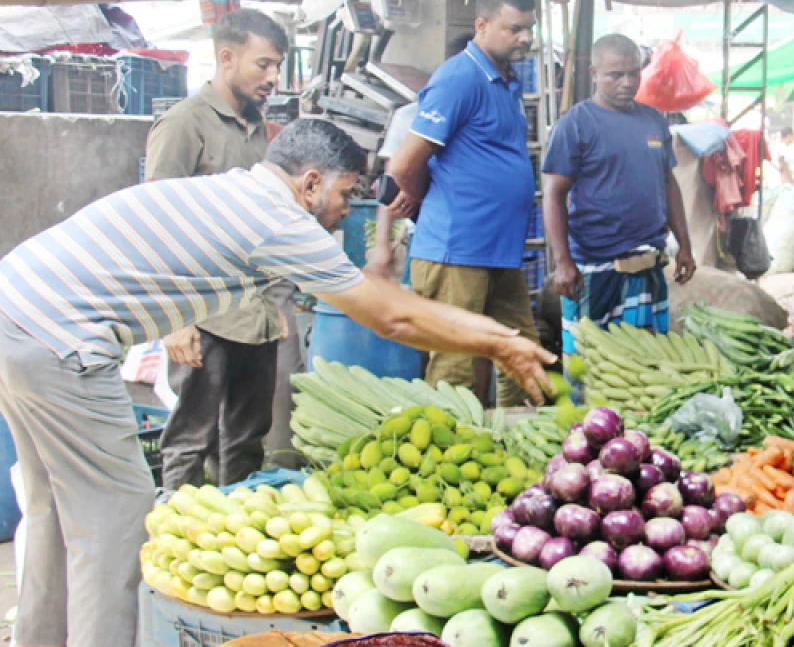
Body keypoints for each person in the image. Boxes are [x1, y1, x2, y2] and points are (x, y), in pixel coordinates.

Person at [0, 119, 554, 647]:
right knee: (116, 520)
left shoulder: (234, 193)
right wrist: (497, 343)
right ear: (310, 183)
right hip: (63, 338)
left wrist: (492, 335)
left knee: (55, 506)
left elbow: (387, 300)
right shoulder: (278, 220)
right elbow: (393, 318)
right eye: (345, 192)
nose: (346, 209)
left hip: (16, 308)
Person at [367, 0, 541, 407]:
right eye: (514, 29)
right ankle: (458, 446)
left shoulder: (505, 82)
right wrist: (421, 199)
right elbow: (403, 165)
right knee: (455, 369)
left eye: (529, 29)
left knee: (522, 353)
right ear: (482, 25)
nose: (524, 38)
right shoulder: (459, 78)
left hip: (498, 250)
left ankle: (524, 442)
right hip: (457, 249)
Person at [144, 8, 294, 488]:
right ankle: (175, 526)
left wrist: (274, 304)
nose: (273, 77)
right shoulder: (184, 124)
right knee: (192, 437)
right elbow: (155, 222)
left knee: (248, 437)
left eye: (277, 66)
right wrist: (174, 318)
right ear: (226, 57)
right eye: (263, 64)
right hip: (202, 311)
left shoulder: (259, 130)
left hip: (254, 311)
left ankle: (239, 521)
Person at [542, 34, 697, 356]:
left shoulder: (653, 121)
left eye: (633, 73)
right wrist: (562, 262)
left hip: (647, 263)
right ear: (595, 74)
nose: (627, 83)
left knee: (645, 362)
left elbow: (668, 183)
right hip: (594, 266)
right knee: (590, 362)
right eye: (616, 75)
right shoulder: (575, 125)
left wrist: (685, 245)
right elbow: (554, 195)